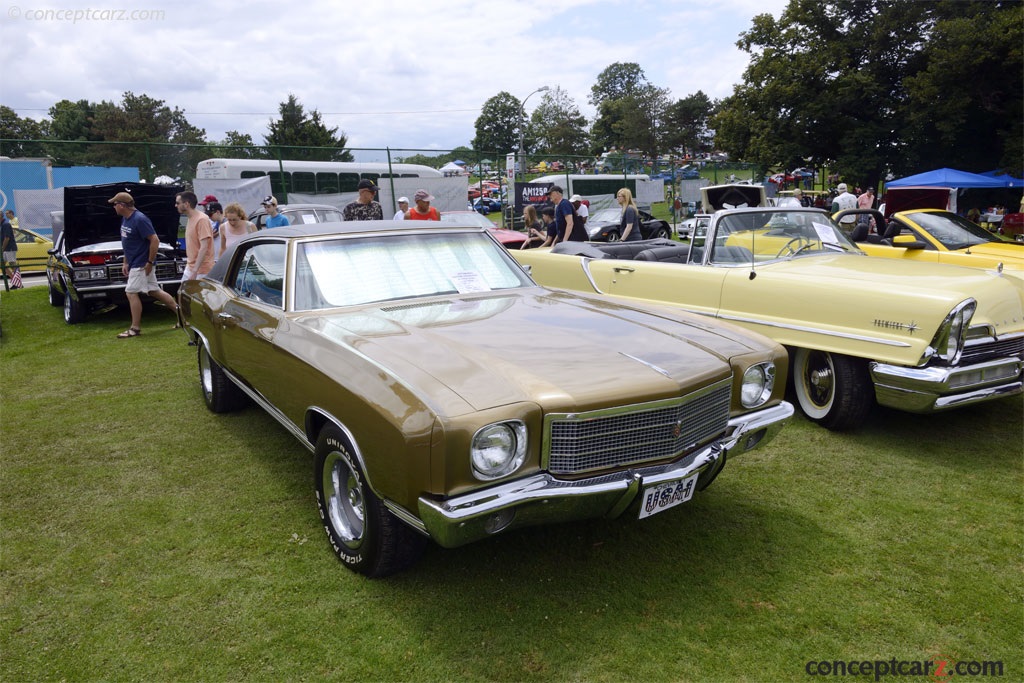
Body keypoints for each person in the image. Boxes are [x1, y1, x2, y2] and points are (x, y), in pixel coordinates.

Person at [108, 191, 181, 338]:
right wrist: (125, 261)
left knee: (130, 292)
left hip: (141, 263)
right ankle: (184, 318)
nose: (113, 207)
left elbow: (155, 240)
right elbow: (127, 242)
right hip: (134, 262)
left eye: (115, 204)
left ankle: (135, 328)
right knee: (154, 291)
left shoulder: (140, 219)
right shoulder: (125, 219)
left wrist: (149, 262)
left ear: (122, 205)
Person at [175, 191, 215, 282]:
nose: (175, 205)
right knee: (182, 294)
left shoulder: (202, 219)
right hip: (191, 267)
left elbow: (204, 247)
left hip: (202, 271)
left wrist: (195, 271)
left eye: (178, 203)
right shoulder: (190, 218)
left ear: (186, 204)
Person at [1, 210, 21, 288]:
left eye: (7, 213)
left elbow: (7, 238)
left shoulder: (6, 224)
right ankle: (15, 281)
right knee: (2, 265)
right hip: (6, 249)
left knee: (13, 265)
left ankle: (17, 283)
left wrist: (2, 248)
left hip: (9, 248)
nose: (6, 215)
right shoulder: (3, 224)